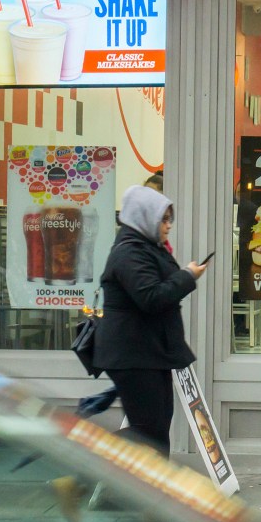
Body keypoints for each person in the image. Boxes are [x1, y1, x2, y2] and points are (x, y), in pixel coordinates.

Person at [94, 185, 207, 454]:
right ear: (145, 217)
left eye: (170, 219)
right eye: (163, 219)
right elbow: (151, 297)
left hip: (149, 352)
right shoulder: (129, 252)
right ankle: (86, 464)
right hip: (133, 355)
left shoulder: (147, 247)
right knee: (148, 432)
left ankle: (144, 488)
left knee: (155, 428)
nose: (168, 226)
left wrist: (184, 276)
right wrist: (187, 276)